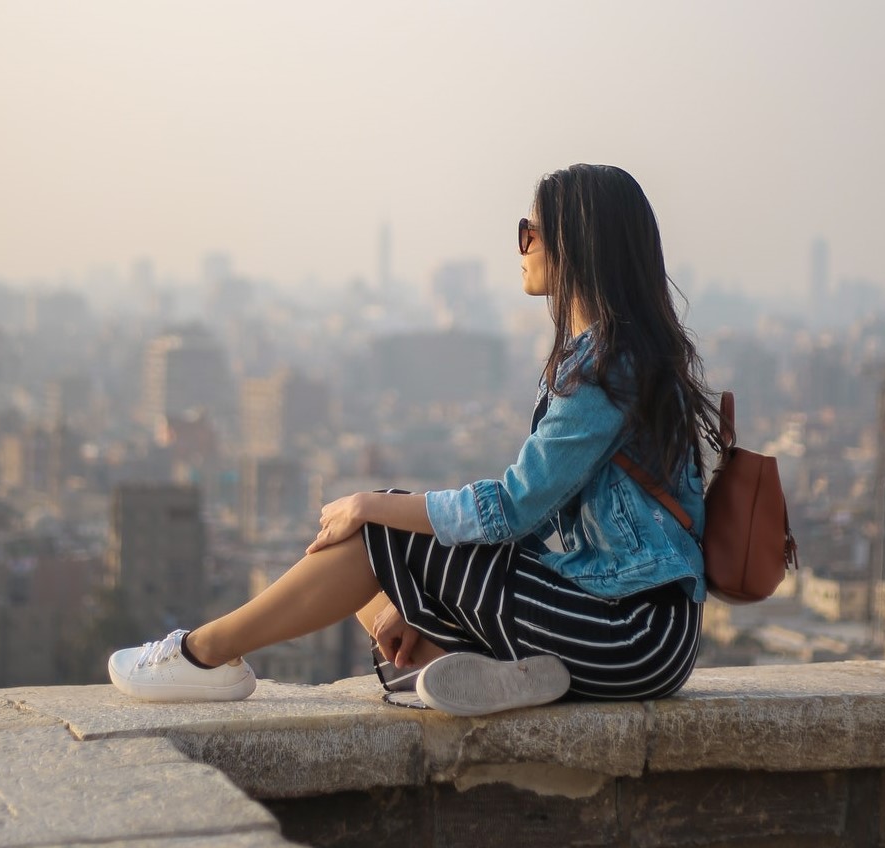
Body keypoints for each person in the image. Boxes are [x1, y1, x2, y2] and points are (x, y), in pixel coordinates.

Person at [108, 164, 720, 716]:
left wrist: (375, 503)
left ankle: (203, 654)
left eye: (531, 232)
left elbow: (511, 508)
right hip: (626, 634)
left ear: (578, 245)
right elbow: (536, 520)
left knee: (373, 526)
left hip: (632, 635)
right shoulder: (615, 359)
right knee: (375, 539)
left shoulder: (608, 369)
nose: (522, 246)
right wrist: (422, 598)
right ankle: (487, 666)